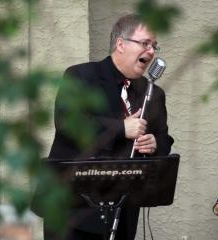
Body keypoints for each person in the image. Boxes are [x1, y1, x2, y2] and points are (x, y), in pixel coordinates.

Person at [46, 14, 174, 240]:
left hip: (124, 210)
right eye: (145, 43)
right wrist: (120, 128)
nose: (152, 51)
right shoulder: (81, 75)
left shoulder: (152, 93)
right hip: (75, 210)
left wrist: (155, 144)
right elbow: (67, 122)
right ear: (121, 44)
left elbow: (165, 140)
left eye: (154, 46)